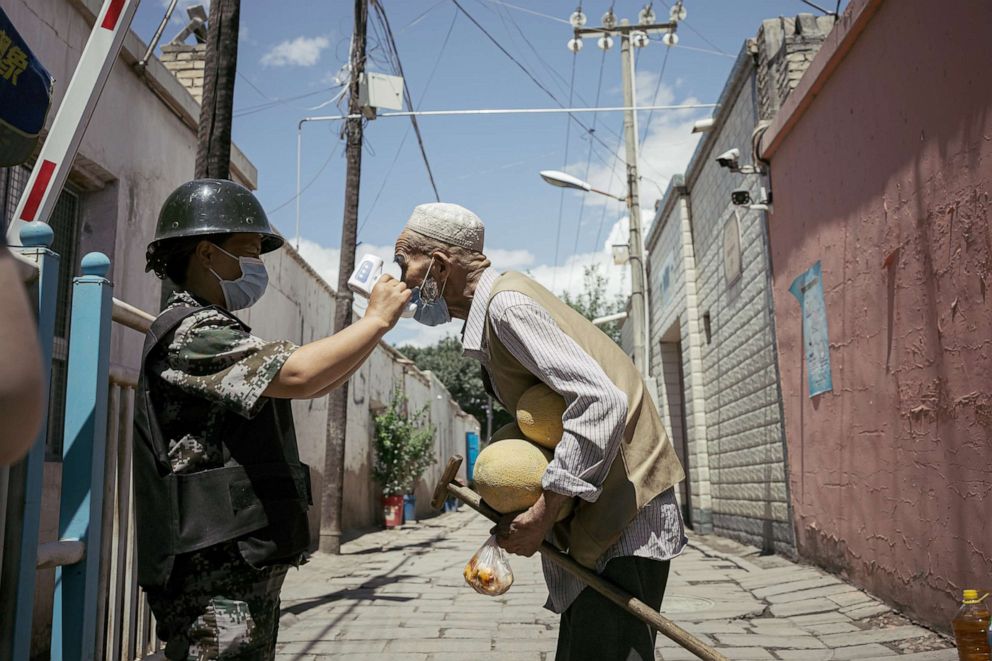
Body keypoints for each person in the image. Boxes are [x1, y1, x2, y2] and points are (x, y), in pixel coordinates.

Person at [394, 202, 687, 661]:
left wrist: (544, 513)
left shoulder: (506, 307)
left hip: (625, 512)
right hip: (601, 514)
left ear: (439, 264)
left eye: (403, 263)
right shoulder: (497, 311)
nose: (402, 280)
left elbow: (599, 401)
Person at [136, 179, 410, 660]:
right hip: (211, 569)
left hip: (237, 557)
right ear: (206, 252)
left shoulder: (215, 324)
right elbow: (302, 374)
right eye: (247, 251)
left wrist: (372, 329)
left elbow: (316, 382)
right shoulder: (192, 332)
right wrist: (375, 321)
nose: (257, 266)